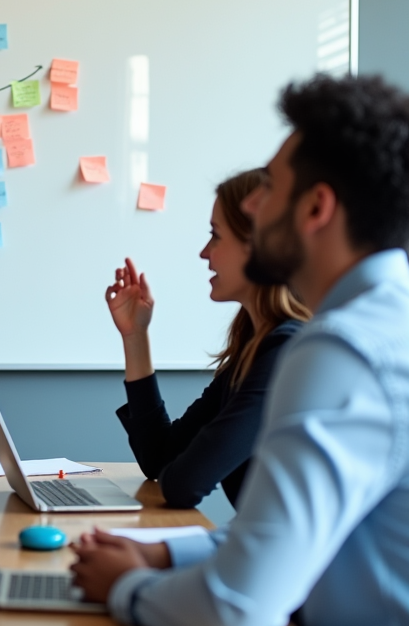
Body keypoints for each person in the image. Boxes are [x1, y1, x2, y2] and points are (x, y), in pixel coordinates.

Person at [71, 74, 409, 626]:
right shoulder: (381, 324)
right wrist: (157, 551)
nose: (254, 201)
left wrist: (126, 585)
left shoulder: (339, 350)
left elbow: (234, 612)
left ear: (316, 208)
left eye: (269, 187)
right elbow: (273, 534)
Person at [105, 169, 310, 508]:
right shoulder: (254, 351)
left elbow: (184, 483)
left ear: (257, 245)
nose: (204, 253)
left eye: (216, 236)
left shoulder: (284, 354)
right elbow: (160, 458)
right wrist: (135, 336)